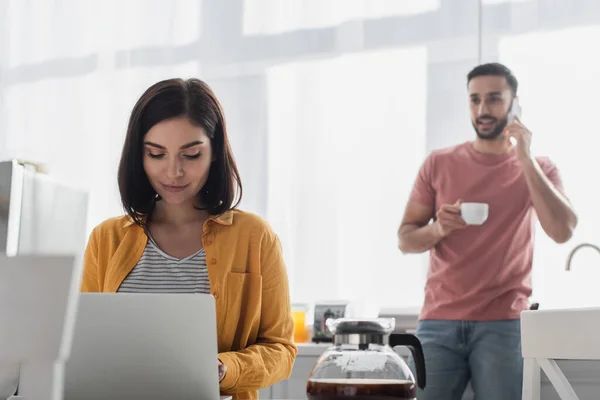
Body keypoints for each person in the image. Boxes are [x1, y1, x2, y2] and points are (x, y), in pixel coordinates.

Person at [81, 78, 297, 400]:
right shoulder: (106, 239)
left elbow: (280, 351)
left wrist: (225, 369)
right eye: (156, 154)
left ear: (214, 152)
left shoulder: (255, 237)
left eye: (191, 155)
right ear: (139, 157)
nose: (173, 172)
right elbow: (83, 345)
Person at [398, 63, 577, 399]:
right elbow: (405, 239)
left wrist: (524, 158)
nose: (482, 109)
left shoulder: (540, 168)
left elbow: (563, 230)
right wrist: (439, 228)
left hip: (505, 324)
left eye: (494, 99)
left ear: (514, 103)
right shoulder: (438, 163)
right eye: (474, 100)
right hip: (438, 322)